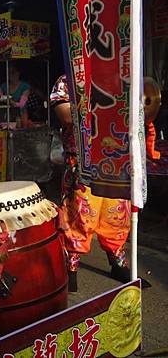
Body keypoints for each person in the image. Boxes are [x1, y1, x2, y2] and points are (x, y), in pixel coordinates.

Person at [50, 74, 133, 292]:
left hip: (114, 156)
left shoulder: (119, 71)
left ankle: (117, 261)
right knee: (78, 214)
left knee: (116, 213)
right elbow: (65, 115)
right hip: (82, 158)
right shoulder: (69, 78)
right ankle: (71, 265)